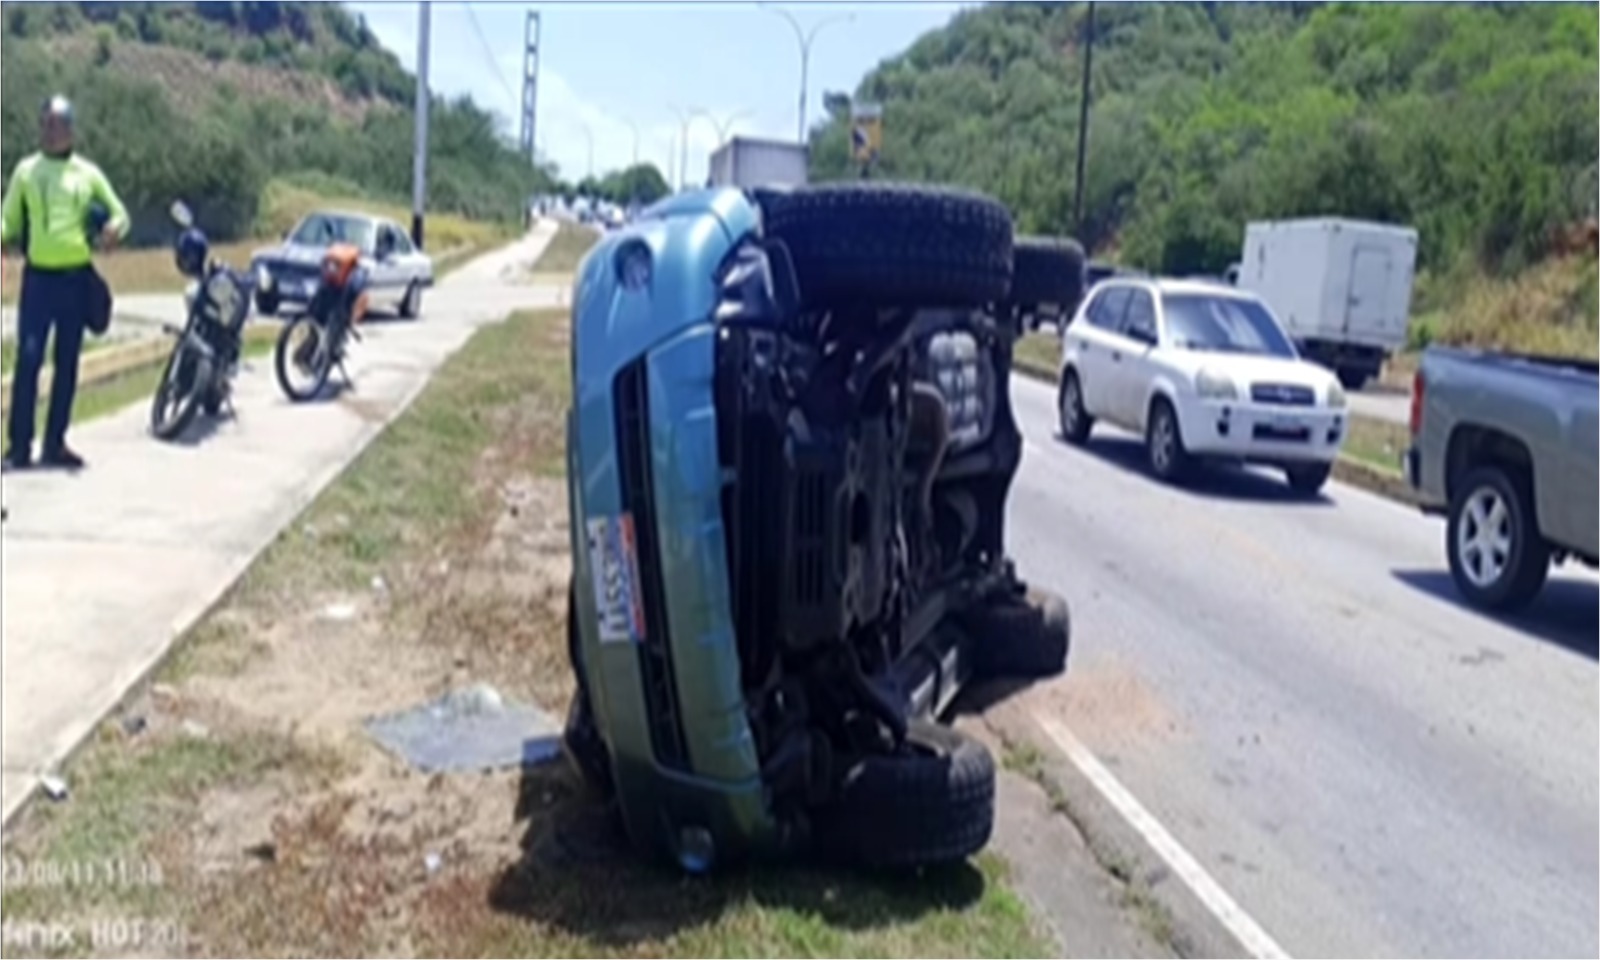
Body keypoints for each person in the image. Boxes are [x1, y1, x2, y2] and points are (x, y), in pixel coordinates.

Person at [0, 95, 129, 471]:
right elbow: (8, 219)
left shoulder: (86, 174)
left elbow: (120, 213)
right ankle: (19, 446)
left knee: (68, 363)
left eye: (56, 124)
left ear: (70, 130)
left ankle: (55, 442)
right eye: (44, 124)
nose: (49, 131)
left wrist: (112, 229)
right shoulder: (26, 171)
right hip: (38, 279)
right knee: (28, 358)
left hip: (75, 278)